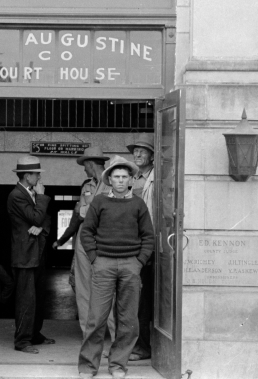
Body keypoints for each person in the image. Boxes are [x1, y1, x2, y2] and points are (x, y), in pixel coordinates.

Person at [78, 155, 154, 379]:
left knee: (128, 319)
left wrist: (139, 262)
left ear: (130, 180)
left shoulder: (138, 204)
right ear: (109, 179)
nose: (120, 180)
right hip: (104, 264)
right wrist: (94, 258)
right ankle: (88, 366)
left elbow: (148, 236)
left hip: (130, 265)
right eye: (116, 176)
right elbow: (87, 232)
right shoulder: (100, 202)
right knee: (97, 318)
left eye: (124, 177)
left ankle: (118, 365)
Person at [53, 146, 113, 337]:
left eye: (85, 165)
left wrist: (83, 211)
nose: (84, 170)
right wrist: (63, 239)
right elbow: (78, 216)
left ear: (90, 163)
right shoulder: (86, 185)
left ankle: (115, 335)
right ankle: (89, 334)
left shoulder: (113, 182)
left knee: (108, 287)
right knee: (83, 288)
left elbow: (106, 213)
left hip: (103, 240)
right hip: (83, 239)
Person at [6, 155, 54, 354]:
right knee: (26, 300)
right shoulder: (16, 195)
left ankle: (34, 334)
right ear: (27, 176)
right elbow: (35, 216)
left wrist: (40, 227)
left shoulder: (30, 193)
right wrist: (42, 199)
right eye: (36, 175)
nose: (39, 179)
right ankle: (22, 341)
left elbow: (46, 219)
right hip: (25, 256)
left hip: (36, 253)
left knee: (38, 298)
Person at [127, 134, 155, 361]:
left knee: (142, 301)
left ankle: (142, 347)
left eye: (142, 151)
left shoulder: (156, 178)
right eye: (135, 151)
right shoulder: (134, 178)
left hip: (147, 247)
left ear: (152, 156)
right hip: (133, 244)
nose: (137, 154)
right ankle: (134, 345)